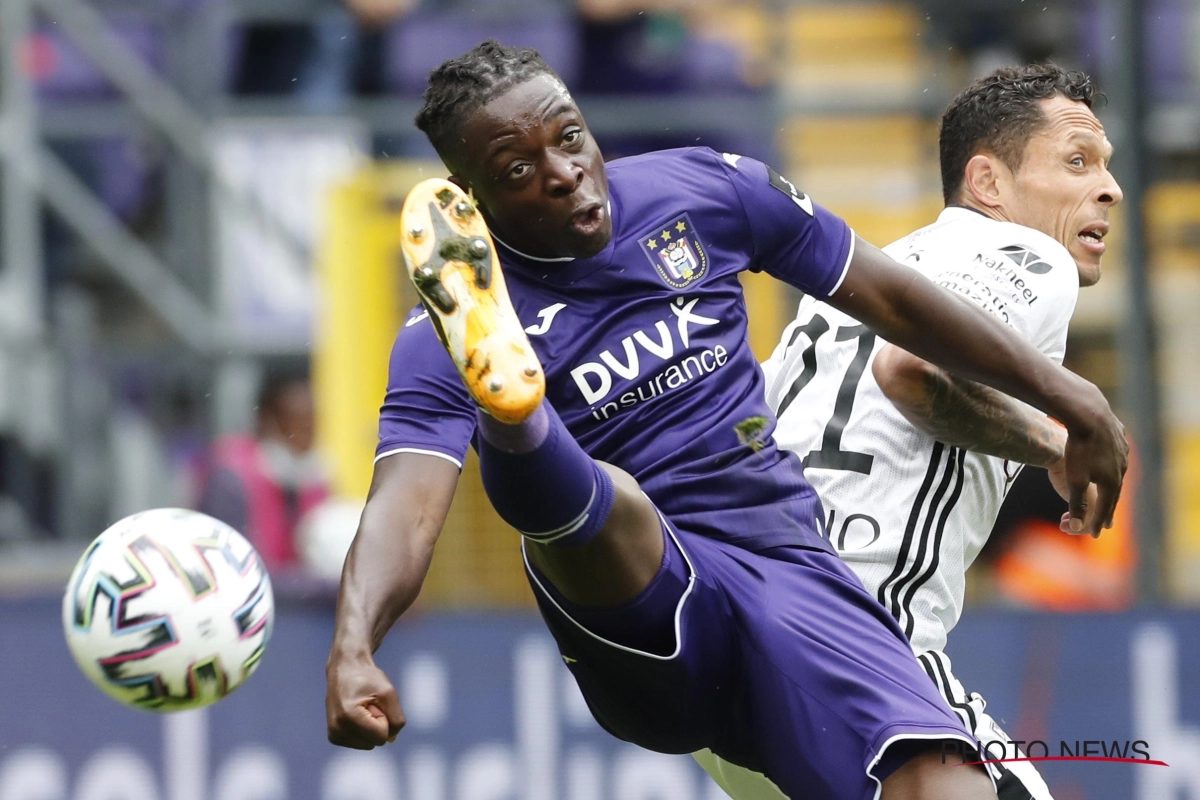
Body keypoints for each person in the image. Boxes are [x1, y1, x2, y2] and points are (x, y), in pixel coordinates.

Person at [324, 42, 1127, 799]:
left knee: (944, 782)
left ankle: (521, 419)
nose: (565, 173)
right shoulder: (440, 339)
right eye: (518, 168)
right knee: (609, 501)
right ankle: (516, 414)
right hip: (638, 598)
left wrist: (1074, 397)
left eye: (570, 138)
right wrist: (355, 644)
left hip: (786, 566)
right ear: (473, 197)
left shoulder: (703, 192)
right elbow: (406, 501)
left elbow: (893, 301)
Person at [696, 64, 1122, 799]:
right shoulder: (1031, 257)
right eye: (1078, 162)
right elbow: (911, 371)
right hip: (861, 652)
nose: (1109, 188)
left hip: (730, 663)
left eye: (1108, 167)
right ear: (988, 183)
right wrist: (1059, 438)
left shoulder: (868, 277)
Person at [198, 375, 329, 571]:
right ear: (268, 420)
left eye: (311, 427)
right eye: (297, 425)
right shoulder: (231, 479)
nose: (306, 439)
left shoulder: (313, 480)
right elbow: (231, 567)